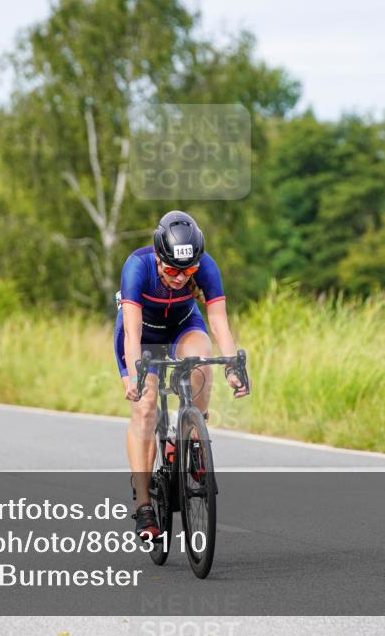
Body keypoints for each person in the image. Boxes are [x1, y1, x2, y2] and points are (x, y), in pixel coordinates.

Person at [115, 211, 249, 538]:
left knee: (202, 361)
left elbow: (219, 324)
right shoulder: (137, 266)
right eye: (173, 269)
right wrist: (133, 376)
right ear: (159, 258)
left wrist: (232, 366)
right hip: (143, 335)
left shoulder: (207, 267)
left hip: (182, 326)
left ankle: (191, 432)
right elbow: (131, 334)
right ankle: (144, 505)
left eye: (187, 270)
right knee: (145, 407)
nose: (179, 278)